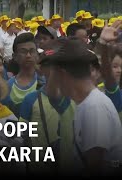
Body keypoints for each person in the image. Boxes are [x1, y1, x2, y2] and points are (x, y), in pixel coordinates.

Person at [47, 36, 122, 175]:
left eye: (54, 75)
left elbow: (94, 165)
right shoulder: (87, 104)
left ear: (63, 74)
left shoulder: (94, 107)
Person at [20, 41, 75, 174]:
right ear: (41, 69)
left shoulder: (76, 97)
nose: (53, 70)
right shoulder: (30, 99)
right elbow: (22, 135)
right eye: (48, 65)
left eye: (56, 65)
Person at [2, 33, 40, 118]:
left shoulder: (45, 82)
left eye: (32, 51)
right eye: (23, 51)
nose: (28, 55)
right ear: (14, 56)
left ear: (37, 54)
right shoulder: (7, 87)